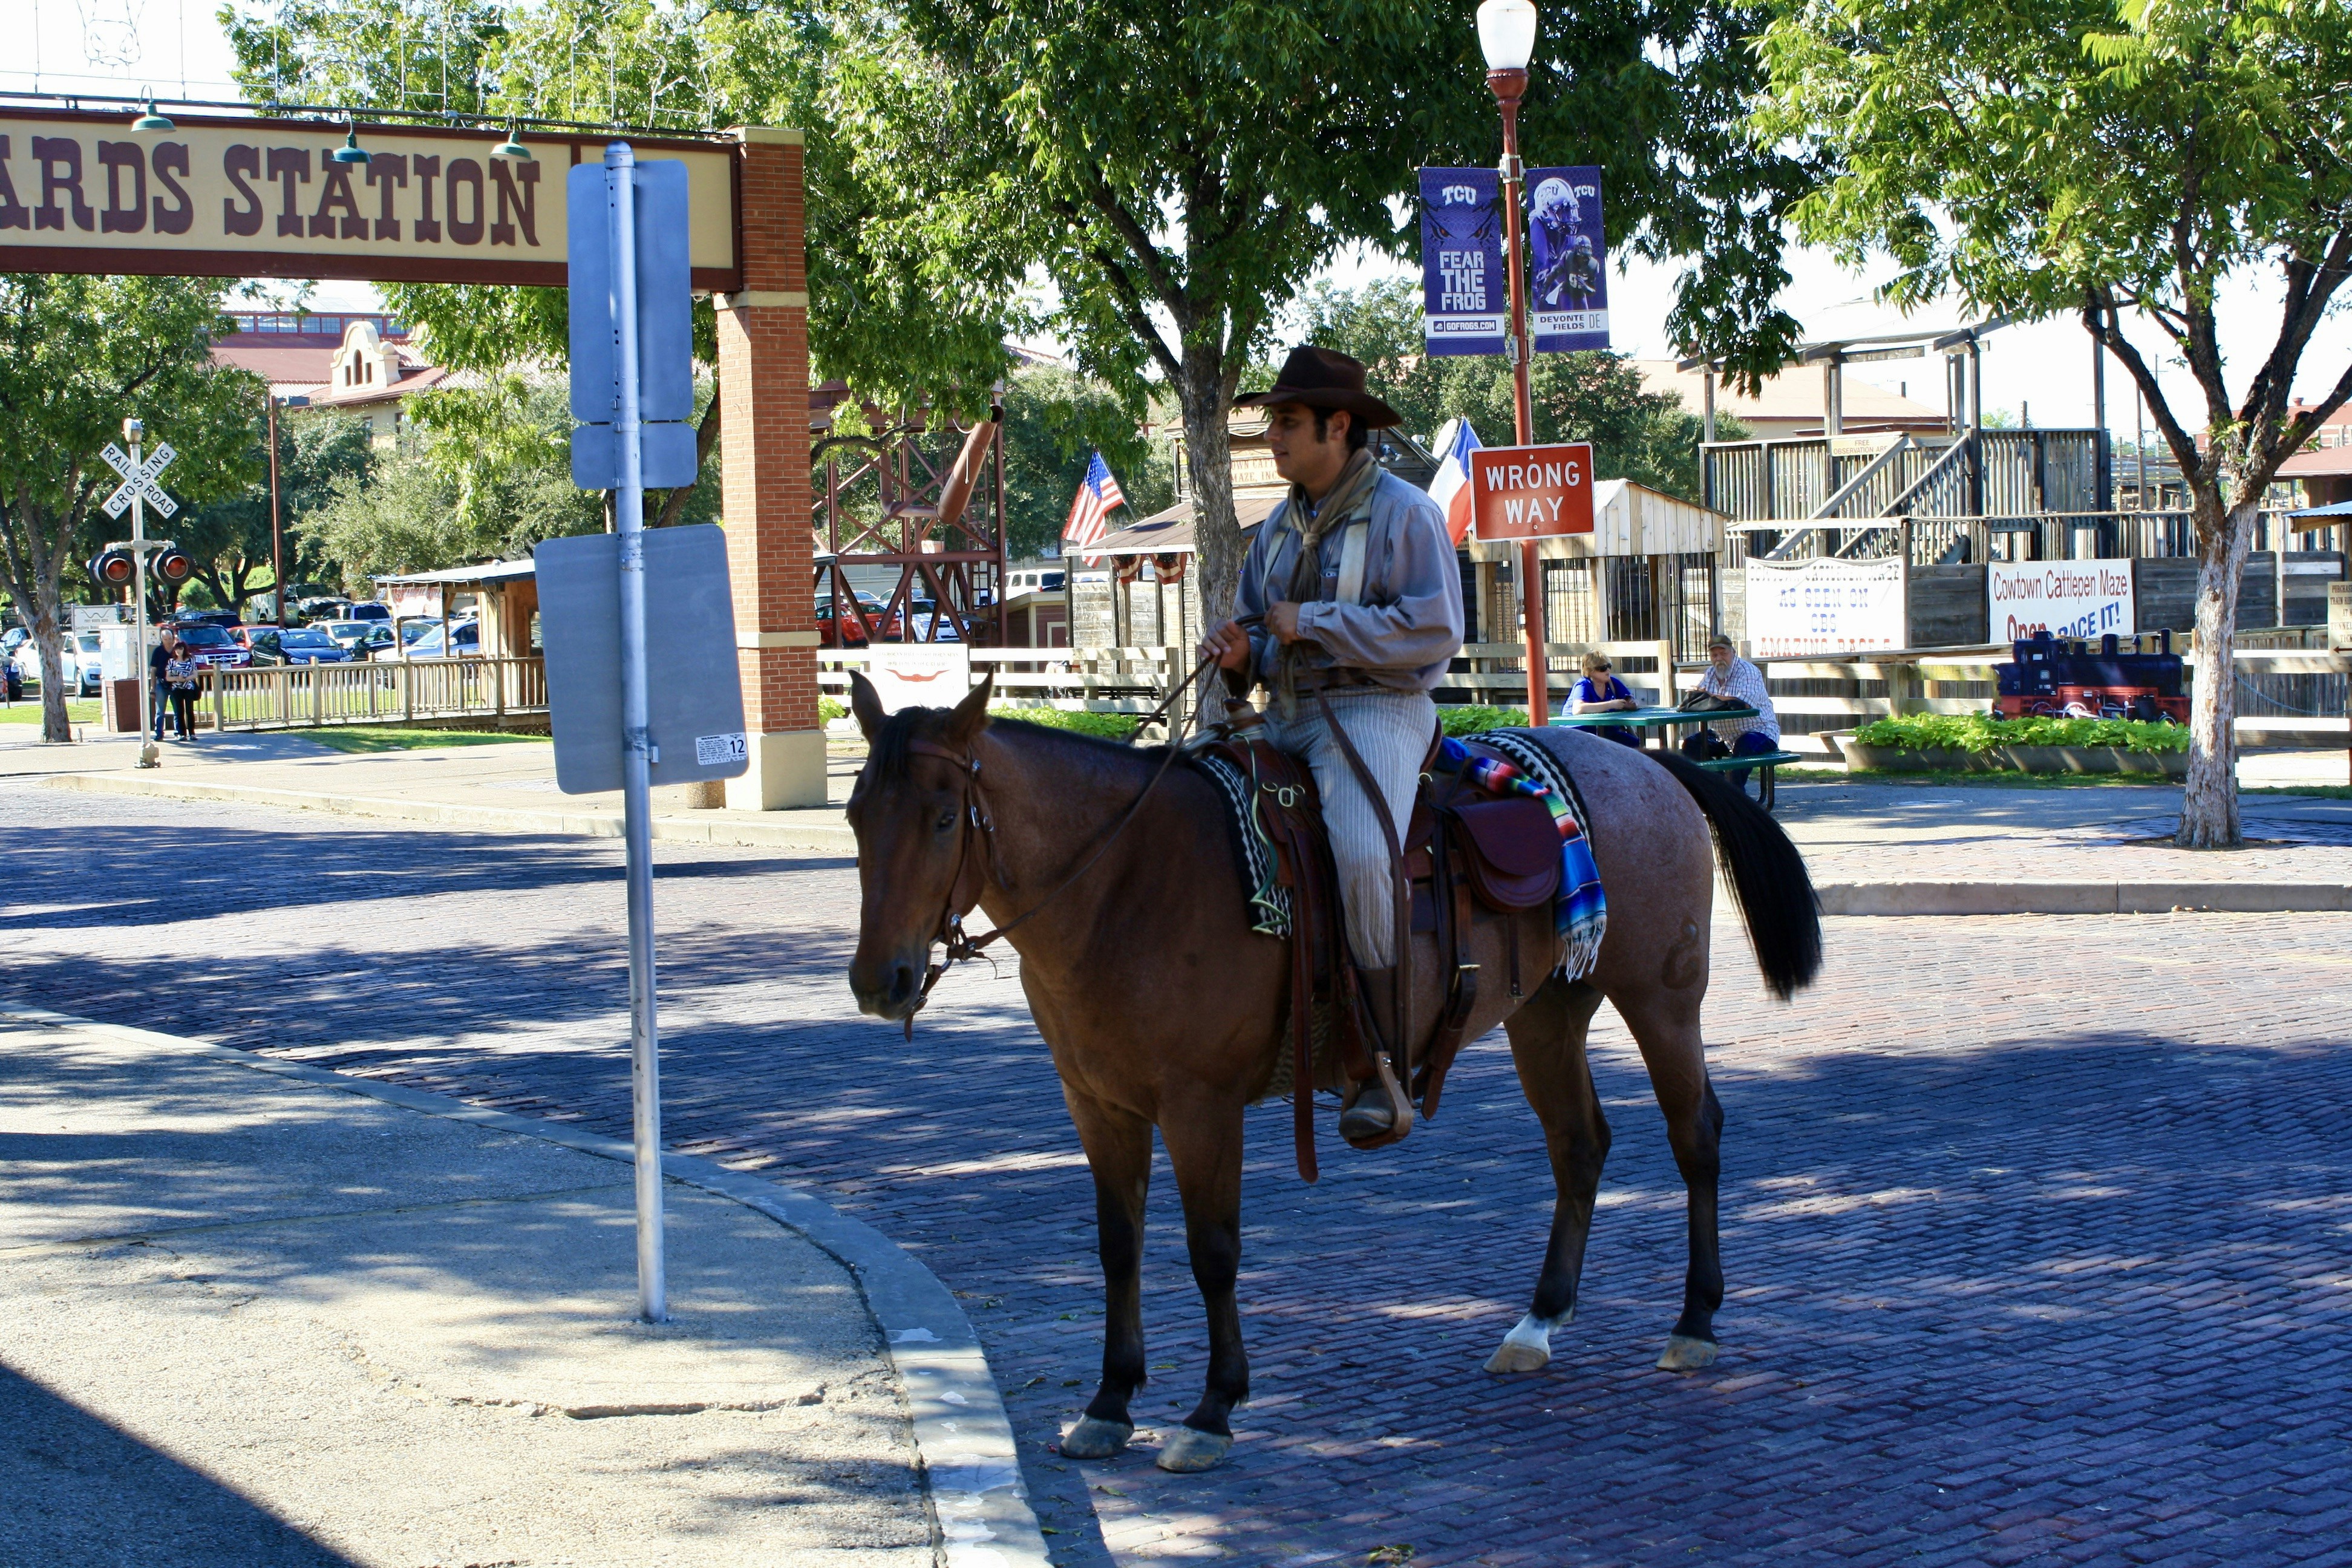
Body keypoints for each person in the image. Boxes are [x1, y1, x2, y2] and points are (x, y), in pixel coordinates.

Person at [1198, 346, 1464, 1146]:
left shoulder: (1406, 514)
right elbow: (1254, 622)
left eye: (1286, 422)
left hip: (1376, 708)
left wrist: (1314, 623)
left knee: (1359, 854)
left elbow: (1435, 630)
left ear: (1337, 427)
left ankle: (1381, 1059)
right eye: (1271, 420)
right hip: (1284, 711)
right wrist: (1241, 653)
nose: (1271, 435)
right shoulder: (1278, 524)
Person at [1687, 634, 1781, 788]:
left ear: (1733, 652)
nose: (1719, 658)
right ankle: (1720, 789)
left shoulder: (1748, 672)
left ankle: (1734, 797)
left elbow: (1743, 704)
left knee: (1745, 746)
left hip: (1758, 732)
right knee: (1691, 745)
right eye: (1714, 655)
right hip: (1724, 736)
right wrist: (1699, 696)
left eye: (1723, 653)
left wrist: (1710, 697)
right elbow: (1700, 698)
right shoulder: (1710, 674)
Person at [1567, 650, 1641, 746]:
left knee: (1636, 745)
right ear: (1590, 671)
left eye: (1609, 666)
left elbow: (1632, 700)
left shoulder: (1612, 682)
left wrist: (1632, 704)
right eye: (1602, 668)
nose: (1608, 671)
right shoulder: (1583, 684)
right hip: (1578, 733)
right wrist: (1611, 704)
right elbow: (1578, 709)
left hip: (1607, 731)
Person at [163, 636, 200, 740]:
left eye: (181, 649)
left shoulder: (191, 660)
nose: (179, 651)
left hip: (188, 687)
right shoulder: (171, 662)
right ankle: (181, 733)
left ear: (184, 649)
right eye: (177, 649)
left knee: (190, 710)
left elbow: (195, 674)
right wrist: (177, 678)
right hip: (176, 688)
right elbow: (168, 677)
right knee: (179, 711)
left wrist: (187, 678)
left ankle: (192, 732)